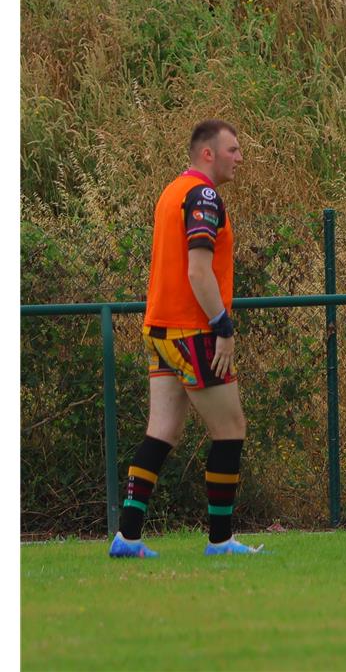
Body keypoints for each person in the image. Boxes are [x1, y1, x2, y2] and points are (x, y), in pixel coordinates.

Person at [109, 119, 262, 557]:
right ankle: (220, 541)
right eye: (232, 149)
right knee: (230, 429)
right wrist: (223, 327)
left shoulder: (171, 192)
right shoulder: (205, 195)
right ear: (207, 153)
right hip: (192, 330)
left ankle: (128, 537)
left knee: (162, 431)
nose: (239, 157)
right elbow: (198, 270)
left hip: (158, 328)